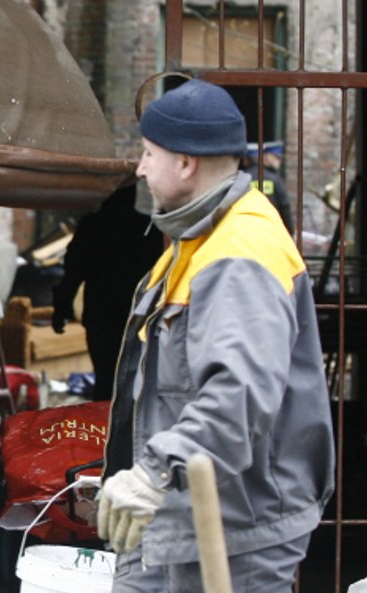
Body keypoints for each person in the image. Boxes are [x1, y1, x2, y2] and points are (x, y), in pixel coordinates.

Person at [96, 79, 335, 593]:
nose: (139, 168)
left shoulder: (240, 252)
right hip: (185, 513)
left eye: (147, 153)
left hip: (235, 527)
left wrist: (153, 471)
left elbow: (238, 395)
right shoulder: (201, 241)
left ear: (185, 164)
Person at [50, 184, 163, 401]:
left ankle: (104, 429)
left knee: (106, 380)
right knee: (137, 382)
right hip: (137, 314)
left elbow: (73, 271)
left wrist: (61, 307)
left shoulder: (94, 225)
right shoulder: (148, 227)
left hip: (104, 315)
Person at [240, 140, 294, 233]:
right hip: (271, 228)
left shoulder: (241, 178)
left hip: (246, 228)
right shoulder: (274, 178)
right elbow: (284, 205)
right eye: (277, 158)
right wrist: (290, 231)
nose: (279, 162)